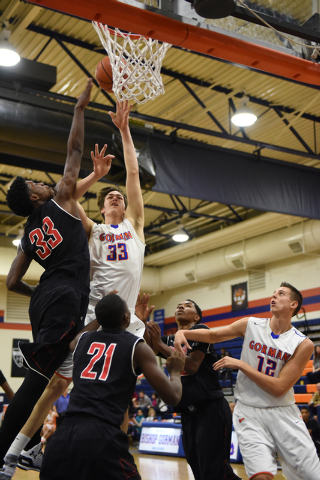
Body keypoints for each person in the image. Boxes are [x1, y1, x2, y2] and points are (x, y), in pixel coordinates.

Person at [0, 99, 146, 473]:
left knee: (122, 393)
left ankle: (118, 447)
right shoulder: (91, 230)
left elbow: (132, 173)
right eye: (109, 197)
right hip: (89, 320)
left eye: (119, 196)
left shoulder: (136, 227)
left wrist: (125, 130)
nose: (117, 196)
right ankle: (19, 450)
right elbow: (67, 198)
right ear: (99, 209)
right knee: (55, 386)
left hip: (125, 320)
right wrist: (93, 175)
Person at [0, 79, 93, 466]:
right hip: (64, 295)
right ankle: (5, 450)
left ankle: (28, 449)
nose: (42, 182)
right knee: (39, 378)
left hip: (45, 302)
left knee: (58, 374)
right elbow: (74, 149)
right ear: (37, 196)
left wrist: (36, 296)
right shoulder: (64, 198)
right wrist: (78, 109)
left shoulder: (27, 234)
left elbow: (11, 281)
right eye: (37, 183)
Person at [174, 282, 320, 480]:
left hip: (283, 413)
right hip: (249, 412)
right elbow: (213, 335)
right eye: (274, 293)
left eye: (281, 293)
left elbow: (279, 388)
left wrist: (242, 365)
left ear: (293, 304)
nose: (274, 296)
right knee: (261, 476)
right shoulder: (251, 324)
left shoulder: (303, 343)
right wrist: (183, 333)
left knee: (312, 475)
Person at [36, 294, 184, 480]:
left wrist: (101, 314)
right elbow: (173, 397)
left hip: (64, 436)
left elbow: (75, 339)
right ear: (126, 317)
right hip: (102, 436)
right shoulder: (137, 347)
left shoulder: (82, 341)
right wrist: (176, 372)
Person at [147, 299, 241, 480]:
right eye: (178, 305)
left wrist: (159, 345)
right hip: (189, 414)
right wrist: (141, 321)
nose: (180, 307)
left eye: (187, 305)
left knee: (214, 471)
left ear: (197, 317)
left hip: (210, 409)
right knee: (198, 469)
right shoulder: (172, 340)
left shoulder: (201, 331)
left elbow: (191, 366)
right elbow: (147, 341)